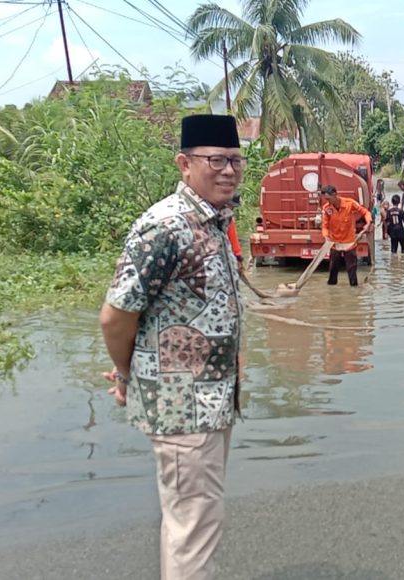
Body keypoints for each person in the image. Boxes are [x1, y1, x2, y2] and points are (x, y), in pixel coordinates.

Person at [99, 114, 246, 579]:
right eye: (216, 160)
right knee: (194, 527)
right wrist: (128, 375)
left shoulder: (215, 222)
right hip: (183, 405)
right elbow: (116, 315)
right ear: (184, 164)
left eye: (236, 161)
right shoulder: (165, 227)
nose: (228, 170)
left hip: (212, 399)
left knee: (193, 520)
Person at [320, 184, 371, 286]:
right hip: (334, 242)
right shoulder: (326, 208)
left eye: (329, 199)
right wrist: (326, 236)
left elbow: (365, 212)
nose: (328, 201)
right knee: (333, 269)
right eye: (326, 199)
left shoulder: (350, 203)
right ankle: (332, 291)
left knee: (351, 268)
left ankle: (353, 290)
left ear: (335, 194)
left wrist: (368, 223)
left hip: (349, 242)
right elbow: (324, 226)